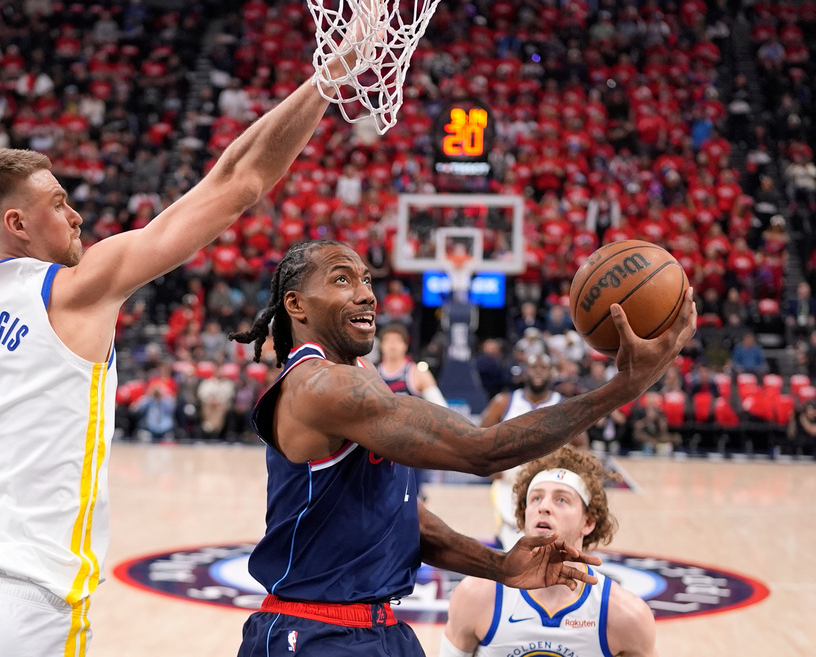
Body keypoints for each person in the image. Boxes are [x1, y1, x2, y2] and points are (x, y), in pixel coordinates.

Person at [0, 0, 406, 653]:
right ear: (16, 223)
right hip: (25, 599)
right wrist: (332, 72)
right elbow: (236, 184)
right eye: (58, 203)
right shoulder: (74, 289)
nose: (76, 214)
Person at [228, 240, 694, 656]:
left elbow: (402, 517)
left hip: (381, 628)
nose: (366, 293)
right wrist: (624, 387)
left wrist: (500, 566)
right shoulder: (318, 386)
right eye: (342, 279)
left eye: (367, 279)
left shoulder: (359, 378)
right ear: (296, 304)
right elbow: (481, 450)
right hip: (311, 633)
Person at [439, 446, 658, 657]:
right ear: (524, 515)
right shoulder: (477, 595)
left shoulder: (624, 614)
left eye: (561, 499)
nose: (543, 507)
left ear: (588, 521)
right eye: (535, 498)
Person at [480, 353, 574, 551]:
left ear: (552, 373)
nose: (538, 371)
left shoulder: (564, 406)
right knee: (513, 542)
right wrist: (489, 466)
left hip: (550, 484)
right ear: (525, 372)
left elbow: (582, 444)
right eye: (534, 367)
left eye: (543, 367)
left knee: (549, 541)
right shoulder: (504, 402)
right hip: (510, 484)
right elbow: (480, 437)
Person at [376, 322, 448, 498]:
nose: (392, 345)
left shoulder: (416, 373)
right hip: (378, 447)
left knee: (410, 501)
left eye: (397, 341)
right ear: (381, 345)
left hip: (408, 448)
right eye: (388, 341)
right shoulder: (371, 374)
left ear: (405, 345)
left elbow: (441, 409)